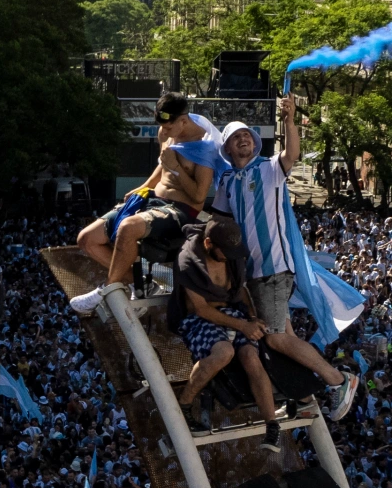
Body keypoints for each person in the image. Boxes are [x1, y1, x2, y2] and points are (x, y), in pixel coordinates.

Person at [209, 100, 357, 421]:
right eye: (237, 138)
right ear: (228, 149)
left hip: (275, 269)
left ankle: (338, 380)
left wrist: (290, 121)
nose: (244, 139)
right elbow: (217, 223)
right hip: (254, 276)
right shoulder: (226, 183)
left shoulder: (269, 167)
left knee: (274, 338)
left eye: (247, 135)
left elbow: (292, 154)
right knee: (284, 338)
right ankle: (303, 397)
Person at [71, 94, 216, 313]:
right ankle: (138, 283)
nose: (164, 133)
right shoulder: (164, 133)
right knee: (87, 239)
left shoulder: (205, 146)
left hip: (180, 209)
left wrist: (176, 167)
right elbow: (163, 167)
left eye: (168, 128)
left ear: (183, 122)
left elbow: (198, 196)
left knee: (128, 228)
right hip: (152, 199)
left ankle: (108, 287)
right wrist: (144, 186)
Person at [169, 218, 286, 451]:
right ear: (209, 243)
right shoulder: (187, 262)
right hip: (200, 318)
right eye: (225, 252)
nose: (228, 256)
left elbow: (241, 291)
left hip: (233, 311)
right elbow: (201, 308)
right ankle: (184, 402)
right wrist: (242, 326)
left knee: (251, 357)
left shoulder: (231, 259)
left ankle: (271, 424)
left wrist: (251, 318)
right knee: (224, 352)